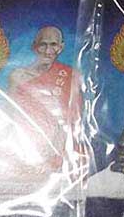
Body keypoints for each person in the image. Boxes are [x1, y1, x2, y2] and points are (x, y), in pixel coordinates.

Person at [7, 26, 86, 177]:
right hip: (26, 143)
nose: (48, 50)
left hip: (58, 147)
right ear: (34, 46)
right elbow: (10, 114)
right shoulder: (17, 76)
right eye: (43, 44)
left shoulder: (71, 76)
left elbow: (74, 119)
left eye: (53, 45)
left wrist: (56, 148)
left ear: (61, 47)